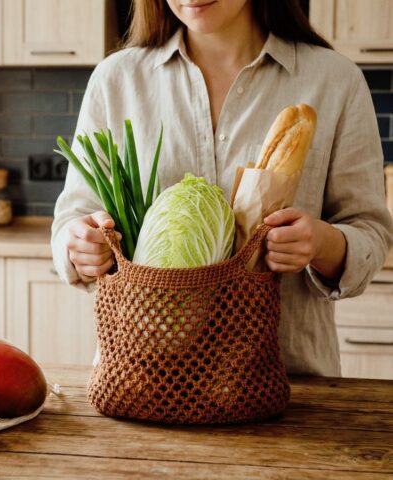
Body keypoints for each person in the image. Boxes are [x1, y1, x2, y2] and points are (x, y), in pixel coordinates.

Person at [51, 0, 393, 376]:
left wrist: (322, 243)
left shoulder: (334, 80)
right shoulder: (116, 80)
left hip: (288, 388)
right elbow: (72, 218)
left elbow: (371, 232)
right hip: (143, 381)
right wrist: (78, 244)